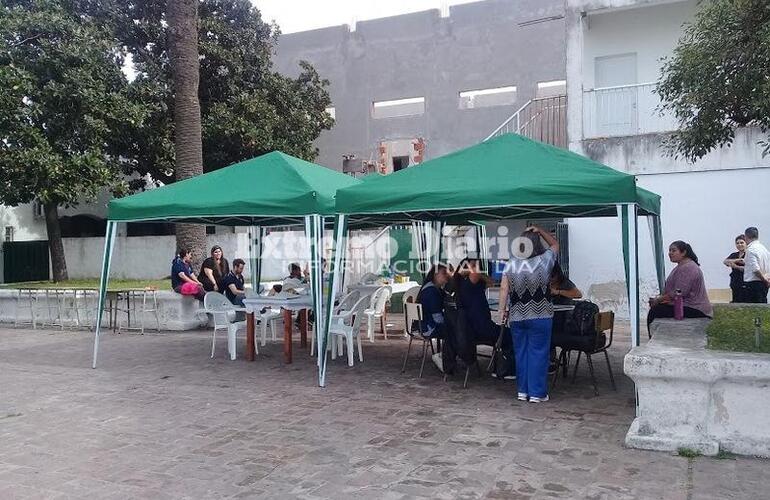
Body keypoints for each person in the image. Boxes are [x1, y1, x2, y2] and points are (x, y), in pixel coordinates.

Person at [499, 225, 559, 403]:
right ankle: (537, 393)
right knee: (539, 354)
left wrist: (502, 311)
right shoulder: (544, 260)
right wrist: (540, 230)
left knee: (521, 353)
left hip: (517, 317)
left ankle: (522, 391)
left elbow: (503, 288)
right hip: (541, 316)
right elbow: (555, 244)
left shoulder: (510, 263)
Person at [452, 257, 513, 378]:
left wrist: (475, 273)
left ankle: (502, 366)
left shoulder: (470, 284)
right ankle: (507, 369)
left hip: (475, 329)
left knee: (507, 334)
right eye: (474, 266)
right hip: (480, 329)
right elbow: (475, 275)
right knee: (512, 335)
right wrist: (469, 271)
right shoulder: (466, 284)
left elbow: (492, 281)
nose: (478, 269)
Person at [647, 241, 713, 333]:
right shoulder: (681, 266)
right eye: (669, 250)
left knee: (655, 311)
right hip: (686, 305)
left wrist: (658, 300)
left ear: (683, 252)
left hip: (695, 308)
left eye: (673, 250)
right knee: (657, 309)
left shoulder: (688, 268)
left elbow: (679, 292)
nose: (670, 253)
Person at [549, 262, 583, 373]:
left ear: (558, 275)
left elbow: (578, 294)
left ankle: (550, 360)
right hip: (548, 315)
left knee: (547, 331)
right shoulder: (543, 282)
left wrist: (558, 292)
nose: (551, 279)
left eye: (552, 276)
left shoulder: (565, 283)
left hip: (564, 319)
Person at [416, 264, 450, 338]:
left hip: (427, 325)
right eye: (444, 273)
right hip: (429, 327)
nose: (447, 275)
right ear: (435, 275)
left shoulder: (436, 288)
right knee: (458, 329)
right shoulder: (431, 291)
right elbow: (437, 317)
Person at [743, 227, 770, 304]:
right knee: (762, 308)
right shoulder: (764, 249)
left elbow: (755, 269)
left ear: (746, 236)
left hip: (753, 285)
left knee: (753, 310)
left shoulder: (751, 249)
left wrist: (764, 280)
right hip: (764, 284)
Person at [723, 235, 747, 303]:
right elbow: (725, 261)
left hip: (744, 283)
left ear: (746, 243)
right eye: (737, 243)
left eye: (742, 242)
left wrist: (735, 266)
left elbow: (747, 269)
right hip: (735, 282)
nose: (739, 245)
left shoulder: (749, 254)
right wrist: (737, 260)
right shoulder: (734, 254)